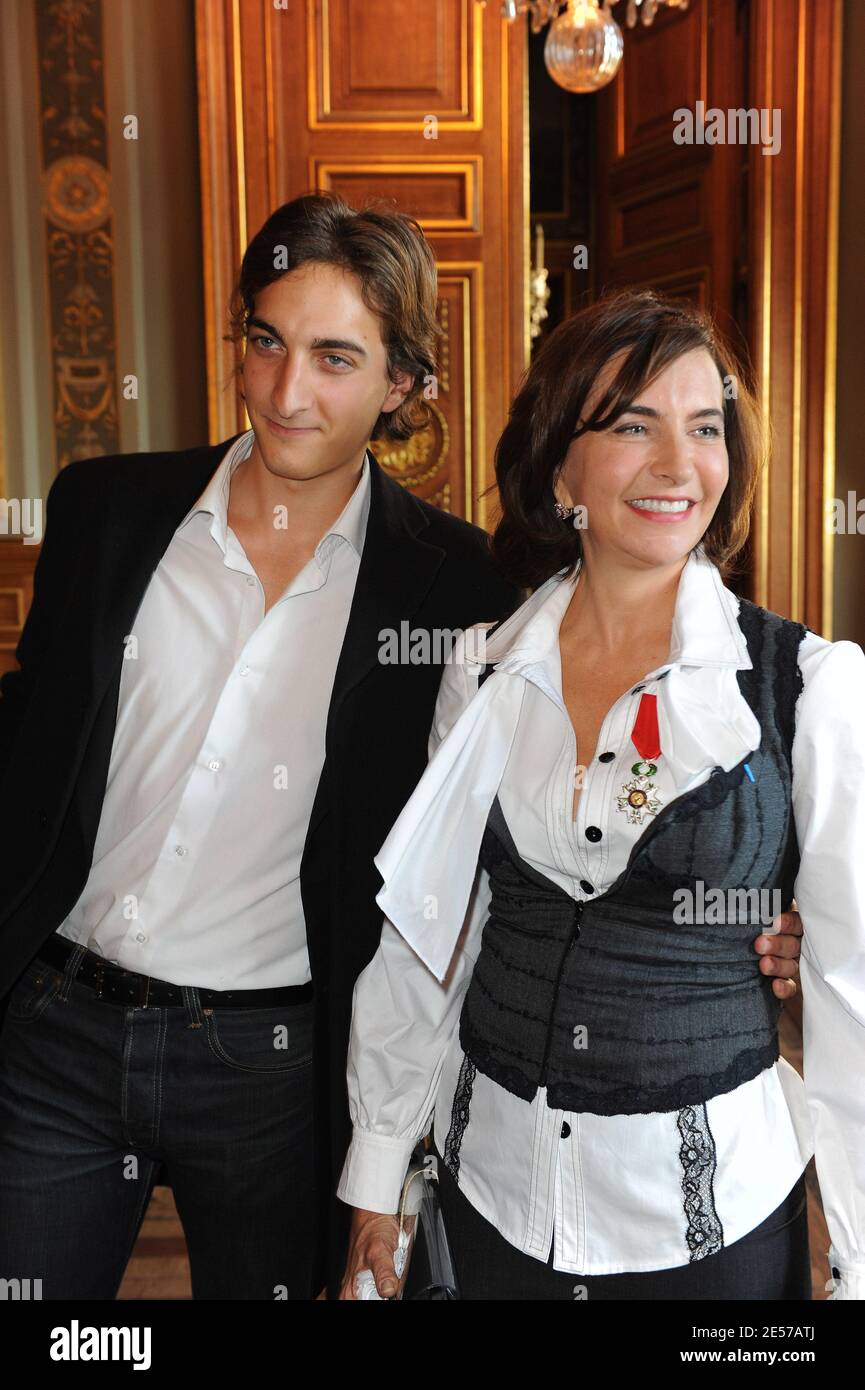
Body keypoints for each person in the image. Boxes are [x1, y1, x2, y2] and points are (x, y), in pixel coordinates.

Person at [0, 191, 523, 1300]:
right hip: (55, 1030)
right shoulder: (104, 510)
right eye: (266, 343)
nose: (290, 393)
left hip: (275, 1070)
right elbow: (27, 749)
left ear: (400, 384)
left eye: (336, 358)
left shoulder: (459, 585)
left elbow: (488, 837)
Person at [338, 289, 864, 1301]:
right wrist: (377, 1179)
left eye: (704, 427)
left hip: (712, 1240)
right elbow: (429, 941)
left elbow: (847, 994)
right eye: (633, 425)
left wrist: (853, 1256)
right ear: (558, 461)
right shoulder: (481, 672)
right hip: (489, 1203)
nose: (679, 465)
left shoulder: (809, 685)